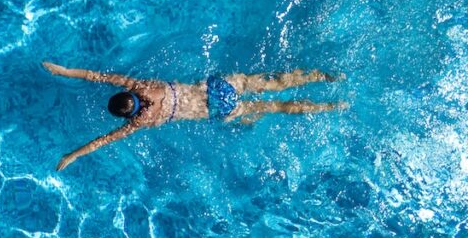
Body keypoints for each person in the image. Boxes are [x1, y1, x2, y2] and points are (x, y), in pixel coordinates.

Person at [43, 62, 348, 171]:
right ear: (130, 96)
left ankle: (331, 108)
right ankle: (325, 77)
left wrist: (73, 155)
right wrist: (64, 71)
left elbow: (102, 142)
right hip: (219, 87)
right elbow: (97, 76)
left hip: (218, 110)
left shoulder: (140, 122)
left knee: (276, 108)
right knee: (274, 82)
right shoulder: (141, 86)